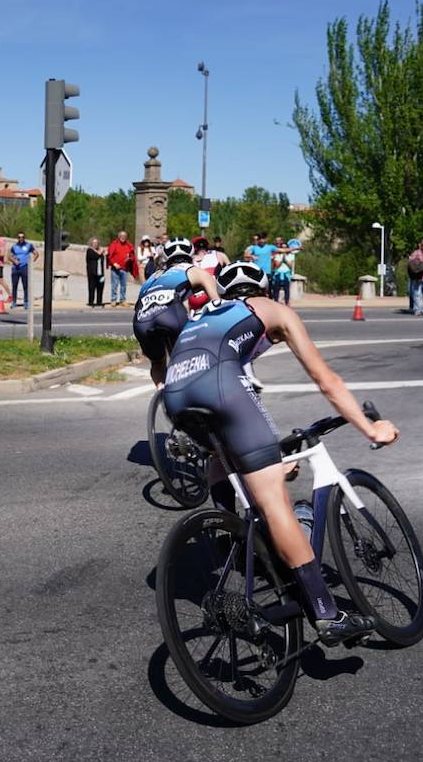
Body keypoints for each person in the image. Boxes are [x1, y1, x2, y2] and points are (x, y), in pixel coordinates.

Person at [162, 261, 399, 644]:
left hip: (174, 396)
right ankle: (327, 613)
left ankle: (231, 533)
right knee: (276, 502)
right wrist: (371, 427)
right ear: (265, 291)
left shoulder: (208, 314)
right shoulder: (272, 309)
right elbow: (327, 380)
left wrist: (265, 456)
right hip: (219, 386)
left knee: (228, 460)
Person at [133, 237, 211, 385]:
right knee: (186, 357)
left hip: (141, 321)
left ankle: (161, 394)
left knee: (157, 362)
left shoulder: (152, 278)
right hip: (170, 317)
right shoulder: (193, 270)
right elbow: (217, 301)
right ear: (191, 255)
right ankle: (184, 394)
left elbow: (137, 305)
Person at [10, 231, 38, 307]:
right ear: (17, 238)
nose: (21, 239)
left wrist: (30, 262)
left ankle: (26, 301)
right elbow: (10, 256)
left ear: (24, 238)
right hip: (16, 268)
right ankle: (14, 302)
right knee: (14, 285)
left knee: (25, 285)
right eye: (19, 237)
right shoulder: (14, 246)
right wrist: (14, 261)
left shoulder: (29, 245)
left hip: (24, 267)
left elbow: (36, 254)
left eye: (22, 237)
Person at [107, 230, 136, 306]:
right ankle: (113, 300)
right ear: (118, 236)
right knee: (114, 285)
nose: (123, 237)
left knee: (123, 286)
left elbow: (133, 256)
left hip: (124, 269)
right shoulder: (114, 244)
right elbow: (109, 256)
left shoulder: (129, 245)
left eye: (124, 236)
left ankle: (122, 300)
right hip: (115, 269)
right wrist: (114, 264)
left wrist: (129, 259)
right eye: (121, 236)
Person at [269, 237, 293, 305]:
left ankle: (287, 302)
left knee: (287, 290)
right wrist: (282, 259)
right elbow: (276, 265)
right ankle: (276, 302)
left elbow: (290, 265)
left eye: (285, 248)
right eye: (283, 248)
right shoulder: (277, 255)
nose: (284, 249)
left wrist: (286, 260)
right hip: (278, 273)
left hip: (286, 274)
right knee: (276, 289)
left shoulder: (290, 255)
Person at [85, 237, 106, 307]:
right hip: (92, 273)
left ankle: (99, 301)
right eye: (94, 243)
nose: (95, 244)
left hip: (100, 272)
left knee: (100, 287)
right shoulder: (89, 251)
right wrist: (101, 251)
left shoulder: (100, 251)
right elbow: (96, 256)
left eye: (97, 243)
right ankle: (91, 301)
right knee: (92, 287)